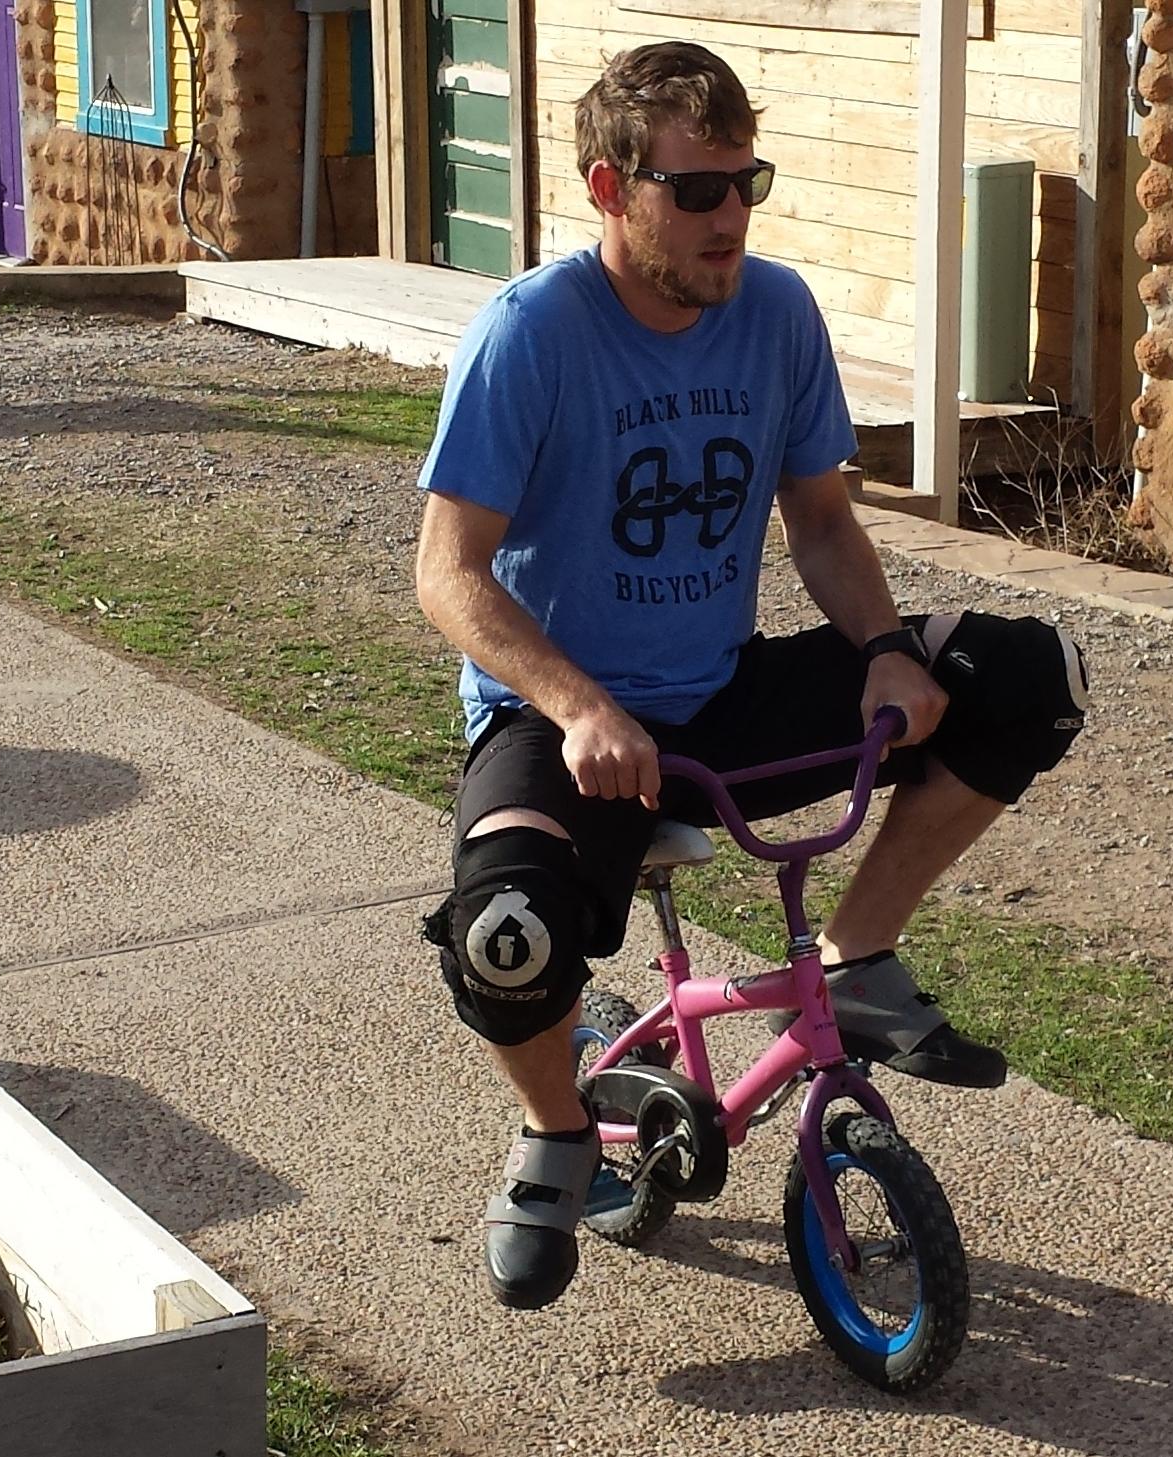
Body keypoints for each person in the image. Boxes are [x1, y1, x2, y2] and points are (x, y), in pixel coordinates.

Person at [413, 40, 1090, 1311]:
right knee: (505, 942)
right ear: (611, 190)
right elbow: (447, 575)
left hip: (716, 700)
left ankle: (852, 954)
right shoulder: (529, 335)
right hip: (564, 722)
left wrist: (888, 652)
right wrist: (577, 704)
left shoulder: (774, 312)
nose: (731, 219)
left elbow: (821, 522)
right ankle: (559, 1131)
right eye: (697, 191)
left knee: (1027, 671)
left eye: (747, 183)